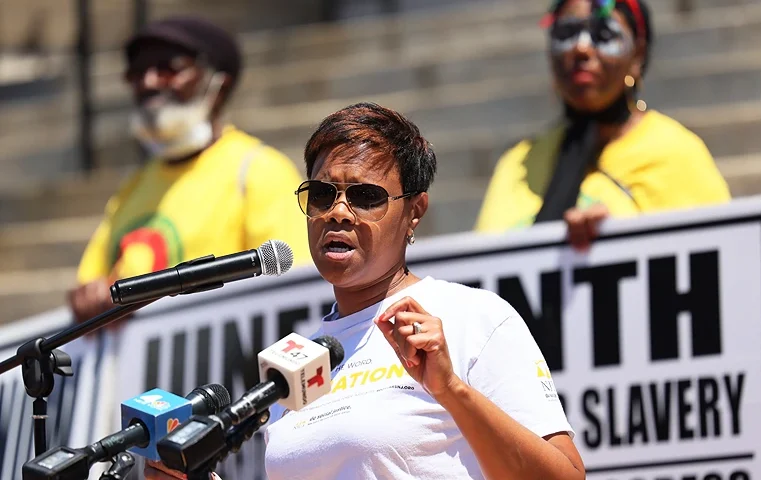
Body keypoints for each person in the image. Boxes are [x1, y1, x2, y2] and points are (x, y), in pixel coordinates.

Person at [145, 103, 584, 479]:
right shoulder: (296, 360)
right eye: (322, 194)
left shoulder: (472, 317)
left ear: (415, 212)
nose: (338, 212)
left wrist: (451, 388)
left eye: (366, 196)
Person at [68, 16, 311, 322]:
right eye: (136, 73)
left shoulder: (259, 171)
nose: (148, 82)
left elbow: (291, 290)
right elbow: (88, 287)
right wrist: (90, 298)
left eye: (169, 69)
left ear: (218, 85)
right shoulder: (133, 187)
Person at [475, 0, 731, 250]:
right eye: (567, 33)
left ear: (637, 55)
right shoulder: (518, 163)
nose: (581, 48)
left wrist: (616, 247)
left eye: (604, 35)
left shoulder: (675, 153)